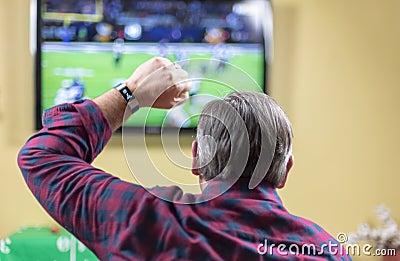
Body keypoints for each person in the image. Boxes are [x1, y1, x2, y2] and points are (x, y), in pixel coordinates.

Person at [18, 57, 351, 260]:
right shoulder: (326, 250)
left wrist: (130, 93)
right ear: (285, 170)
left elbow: (41, 156)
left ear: (195, 157)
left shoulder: (149, 223)